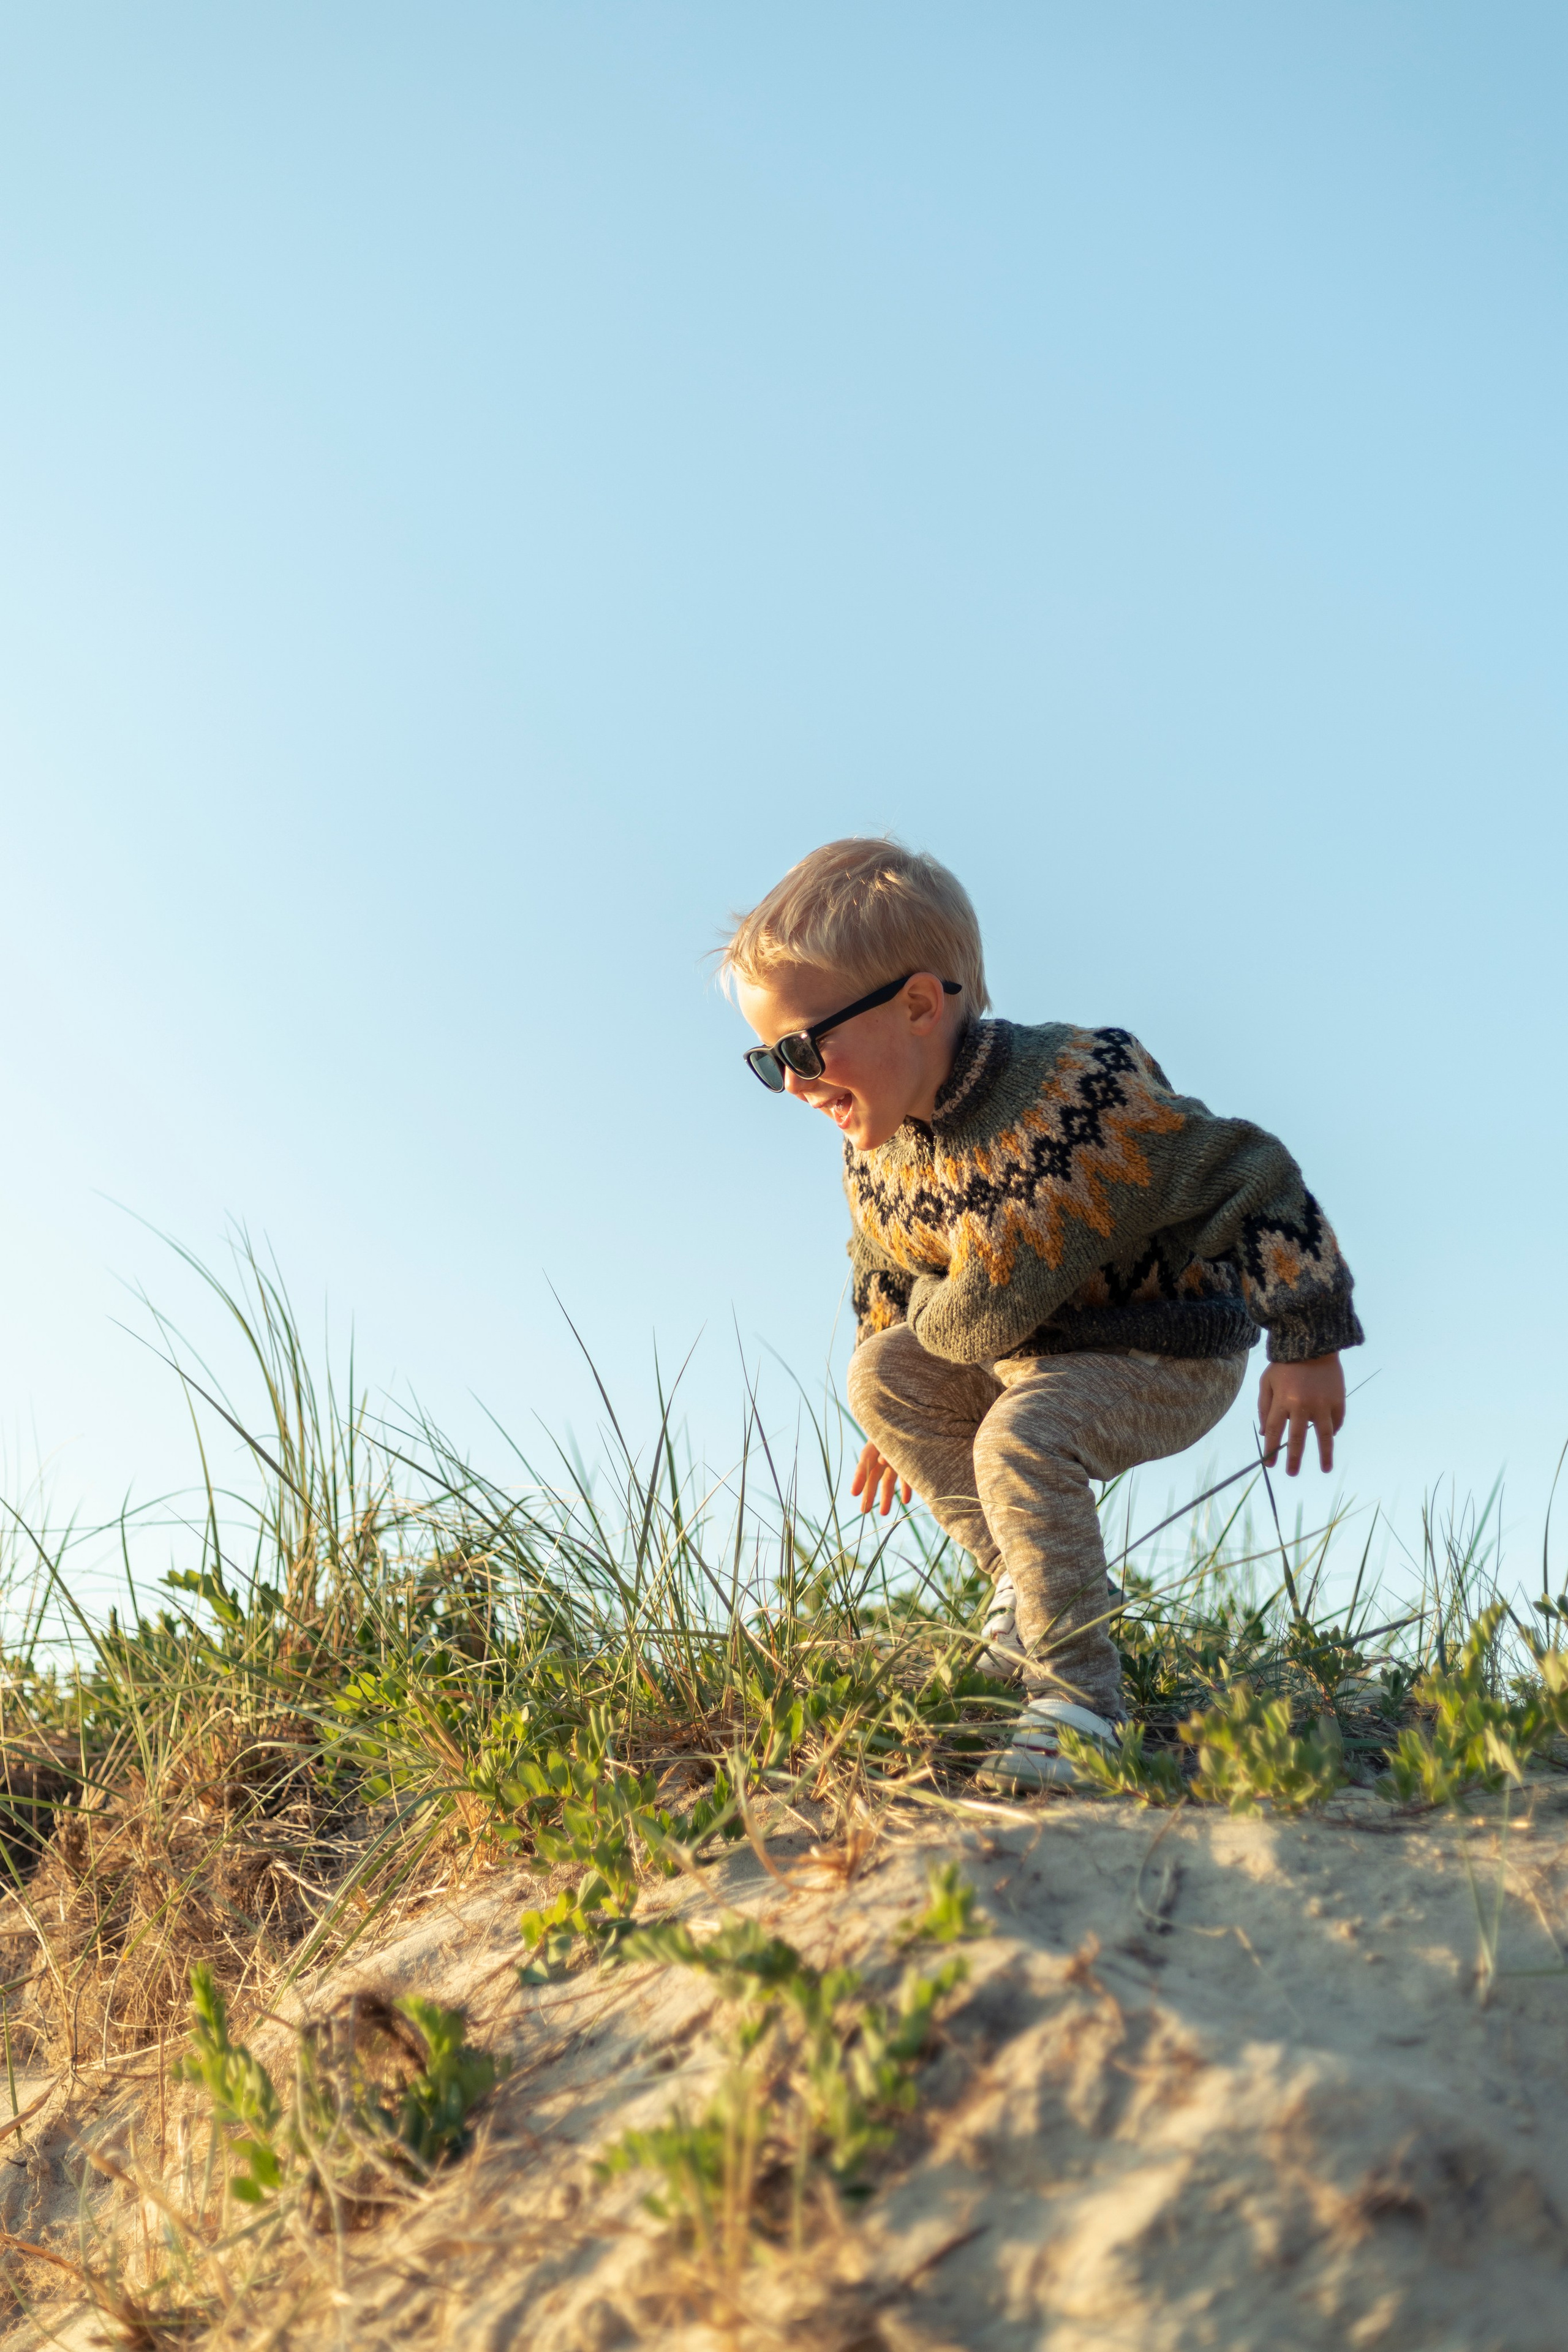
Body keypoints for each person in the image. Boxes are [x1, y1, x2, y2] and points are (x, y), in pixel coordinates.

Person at [723, 837, 1362, 1789]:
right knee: (879, 1374)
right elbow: (883, 1269)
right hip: (1031, 1353)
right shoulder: (877, 1149)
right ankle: (1034, 1585)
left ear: (917, 1005)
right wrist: (895, 1419)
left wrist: (1304, 1339)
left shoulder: (1081, 1092)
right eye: (769, 1064)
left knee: (1020, 1439)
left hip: (1167, 1344)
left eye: (806, 1049)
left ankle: (1079, 1705)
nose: (798, 1085)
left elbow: (1242, 1172)